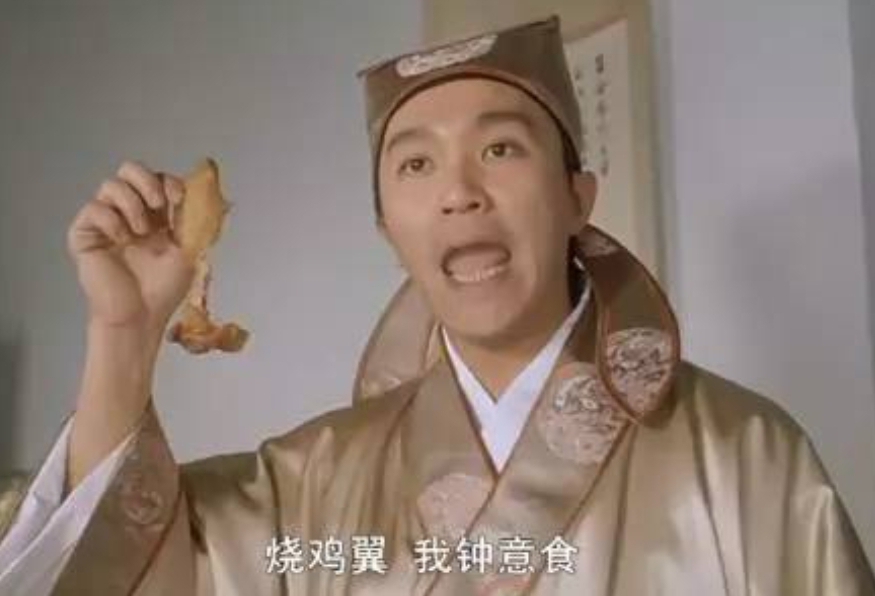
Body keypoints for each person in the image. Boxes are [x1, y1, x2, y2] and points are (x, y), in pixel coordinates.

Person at [0, 15, 872, 595]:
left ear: (577, 197)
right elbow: (123, 569)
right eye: (415, 164)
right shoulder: (309, 484)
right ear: (388, 229)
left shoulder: (743, 456)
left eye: (500, 149)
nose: (458, 192)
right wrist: (125, 330)